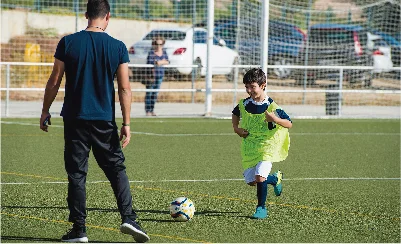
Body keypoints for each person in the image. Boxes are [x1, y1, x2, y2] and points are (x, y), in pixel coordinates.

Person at [39, 0, 149, 242]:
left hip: (75, 119)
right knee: (116, 169)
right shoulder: (117, 46)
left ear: (86, 15)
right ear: (107, 17)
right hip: (104, 120)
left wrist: (45, 110)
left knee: (77, 174)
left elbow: (54, 80)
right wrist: (127, 123)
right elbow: (125, 88)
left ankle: (79, 231)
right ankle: (129, 218)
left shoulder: (68, 42)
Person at [231, 68, 292, 219]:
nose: (249, 90)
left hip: (267, 146)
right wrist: (236, 129)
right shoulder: (245, 103)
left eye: (252, 87)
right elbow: (235, 113)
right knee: (252, 181)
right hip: (250, 146)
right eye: (246, 87)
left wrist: (276, 120)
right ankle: (275, 178)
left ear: (263, 85)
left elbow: (289, 123)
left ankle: (261, 208)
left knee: (259, 177)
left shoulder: (271, 106)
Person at [144, 36, 169, 116]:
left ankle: (152, 110)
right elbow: (150, 62)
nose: (158, 46)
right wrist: (159, 62)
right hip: (152, 76)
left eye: (160, 44)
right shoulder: (151, 52)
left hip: (160, 75)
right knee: (149, 93)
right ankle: (148, 110)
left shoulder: (164, 52)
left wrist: (160, 62)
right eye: (156, 44)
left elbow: (167, 61)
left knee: (155, 94)